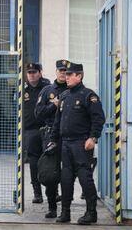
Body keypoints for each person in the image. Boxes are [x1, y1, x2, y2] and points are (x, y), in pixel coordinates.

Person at [49, 62, 105, 225]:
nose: (66, 77)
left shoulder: (88, 95)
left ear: (79, 76)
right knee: (65, 179)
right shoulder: (65, 96)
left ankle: (91, 213)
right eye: (65, 74)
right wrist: (53, 140)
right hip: (65, 143)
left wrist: (93, 138)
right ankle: (65, 213)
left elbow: (98, 118)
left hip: (81, 143)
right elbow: (57, 121)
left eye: (69, 75)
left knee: (85, 178)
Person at [34, 59, 69, 218]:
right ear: (56, 72)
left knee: (69, 172)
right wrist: (53, 105)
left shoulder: (74, 90)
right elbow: (38, 114)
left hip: (69, 136)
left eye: (66, 71)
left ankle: (65, 210)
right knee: (50, 172)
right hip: (50, 136)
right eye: (61, 70)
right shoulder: (48, 90)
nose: (63, 73)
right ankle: (52, 207)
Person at [23, 63, 50, 204]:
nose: (31, 75)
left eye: (34, 72)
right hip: (31, 130)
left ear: (40, 72)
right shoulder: (23, 88)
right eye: (29, 72)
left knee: (50, 161)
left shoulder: (47, 88)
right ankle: (37, 193)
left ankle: (52, 192)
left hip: (46, 129)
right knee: (33, 162)